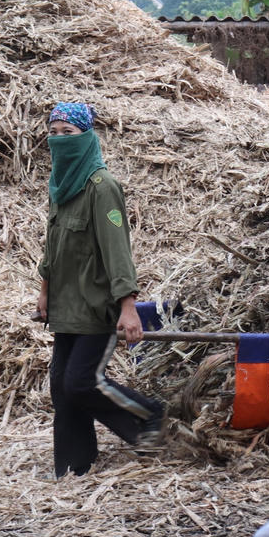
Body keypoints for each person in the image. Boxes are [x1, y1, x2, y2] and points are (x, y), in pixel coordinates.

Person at [34, 101, 165, 477]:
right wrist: (45, 291)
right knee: (62, 386)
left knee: (82, 382)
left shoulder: (101, 188)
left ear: (86, 137)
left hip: (96, 305)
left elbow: (117, 251)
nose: (59, 140)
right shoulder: (61, 187)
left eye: (68, 133)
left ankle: (150, 416)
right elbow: (52, 246)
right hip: (66, 305)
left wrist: (128, 307)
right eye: (53, 132)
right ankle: (76, 465)